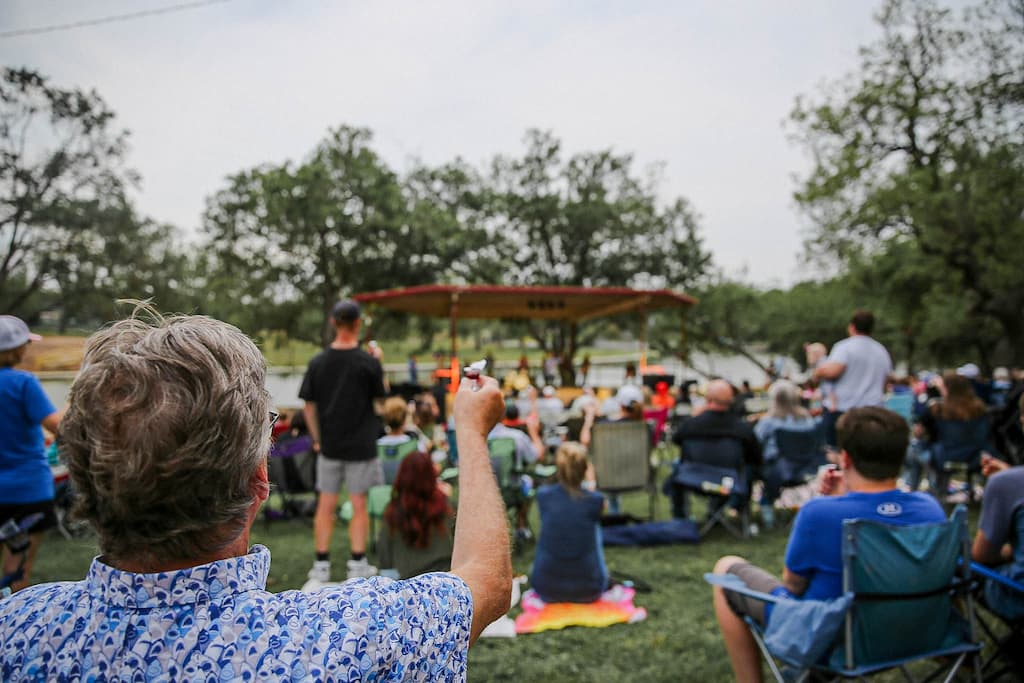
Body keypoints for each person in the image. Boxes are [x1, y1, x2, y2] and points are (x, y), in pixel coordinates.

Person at [0, 309, 512, 680]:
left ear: (86, 475)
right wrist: (468, 431)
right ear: (257, 479)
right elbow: (484, 580)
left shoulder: (17, 629)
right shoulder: (355, 634)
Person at [710, 407, 946, 683]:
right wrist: (841, 499)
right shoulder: (930, 509)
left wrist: (832, 503)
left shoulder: (819, 513)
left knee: (725, 569)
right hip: (914, 633)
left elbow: (793, 585)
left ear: (845, 458)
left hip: (833, 638)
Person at [300, 299, 388, 585]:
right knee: (358, 505)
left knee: (325, 505)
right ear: (358, 324)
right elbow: (381, 401)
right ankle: (357, 563)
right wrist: (380, 365)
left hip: (330, 446)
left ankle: (321, 565)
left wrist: (317, 439)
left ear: (334, 322)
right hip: (361, 445)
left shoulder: (318, 362)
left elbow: (309, 407)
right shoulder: (369, 362)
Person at [0, 315, 61, 592]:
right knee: (16, 574)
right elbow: (58, 427)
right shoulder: (24, 383)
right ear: (14, 349)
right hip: (26, 492)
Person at [666, 380, 762, 521]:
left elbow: (676, 439)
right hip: (730, 482)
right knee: (746, 469)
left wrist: (695, 416)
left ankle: (680, 518)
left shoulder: (691, 425)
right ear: (731, 400)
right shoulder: (741, 428)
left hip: (694, 480)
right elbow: (755, 457)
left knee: (677, 466)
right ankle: (733, 512)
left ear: (708, 399)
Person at [529, 442, 608, 603]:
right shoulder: (596, 500)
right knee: (593, 526)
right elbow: (597, 504)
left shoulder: (543, 496)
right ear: (586, 469)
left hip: (545, 588)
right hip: (589, 589)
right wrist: (592, 483)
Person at [813, 310, 892, 449]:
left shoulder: (845, 347)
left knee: (836, 454)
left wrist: (818, 371)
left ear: (852, 327)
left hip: (844, 413)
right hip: (873, 413)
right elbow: (885, 384)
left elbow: (833, 371)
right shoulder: (882, 351)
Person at [377, 451, 455, 580]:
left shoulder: (393, 511)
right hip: (443, 579)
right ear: (431, 474)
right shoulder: (446, 507)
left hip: (407, 582)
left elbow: (384, 552)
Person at [753, 380, 820, 529]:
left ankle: (767, 512)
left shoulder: (769, 422)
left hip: (778, 472)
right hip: (807, 470)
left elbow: (755, 442)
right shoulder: (808, 420)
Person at [972, 446, 1024, 620]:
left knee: (954, 560)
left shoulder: (1006, 482)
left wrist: (1008, 479)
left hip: (1017, 594)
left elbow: (982, 555)